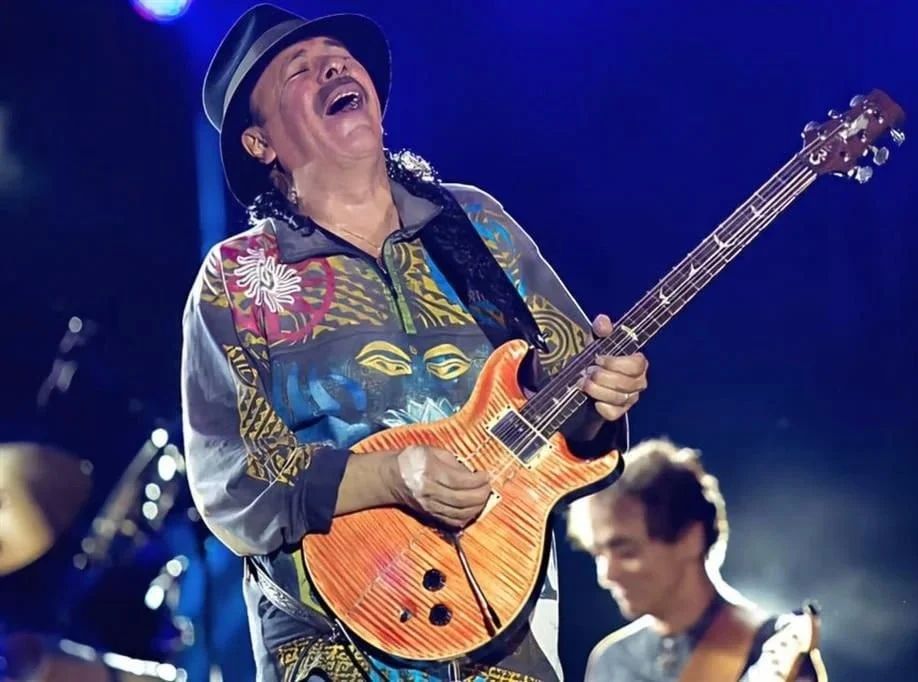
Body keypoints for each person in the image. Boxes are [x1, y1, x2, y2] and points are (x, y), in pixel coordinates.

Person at [181, 4, 649, 681]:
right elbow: (233, 479)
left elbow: (564, 408)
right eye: (300, 70)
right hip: (340, 646)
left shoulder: (475, 224)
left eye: (339, 57)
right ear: (261, 144)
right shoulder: (238, 278)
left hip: (499, 626)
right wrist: (392, 476)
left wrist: (603, 399)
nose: (333, 68)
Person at [566, 438, 828, 682]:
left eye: (626, 551)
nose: (606, 576)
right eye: (598, 554)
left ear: (690, 538)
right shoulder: (612, 660)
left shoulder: (772, 646)